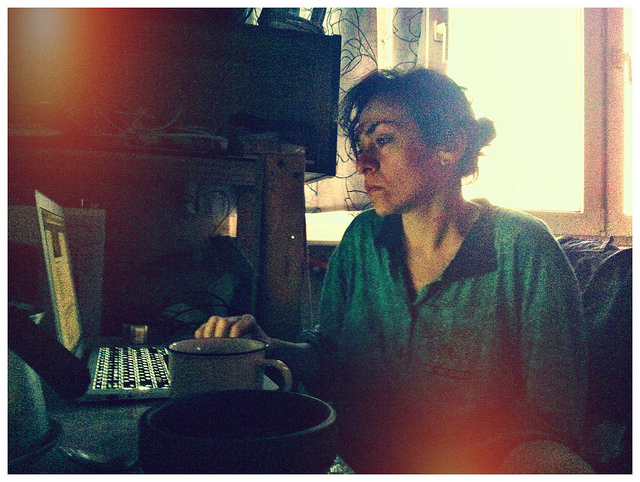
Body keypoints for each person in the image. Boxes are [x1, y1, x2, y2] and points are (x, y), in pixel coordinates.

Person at [195, 67, 593, 473]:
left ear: (449, 145)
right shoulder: (362, 238)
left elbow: (555, 419)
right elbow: (330, 360)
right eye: (361, 145)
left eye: (383, 140)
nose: (363, 163)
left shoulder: (523, 247)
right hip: (356, 461)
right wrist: (266, 346)